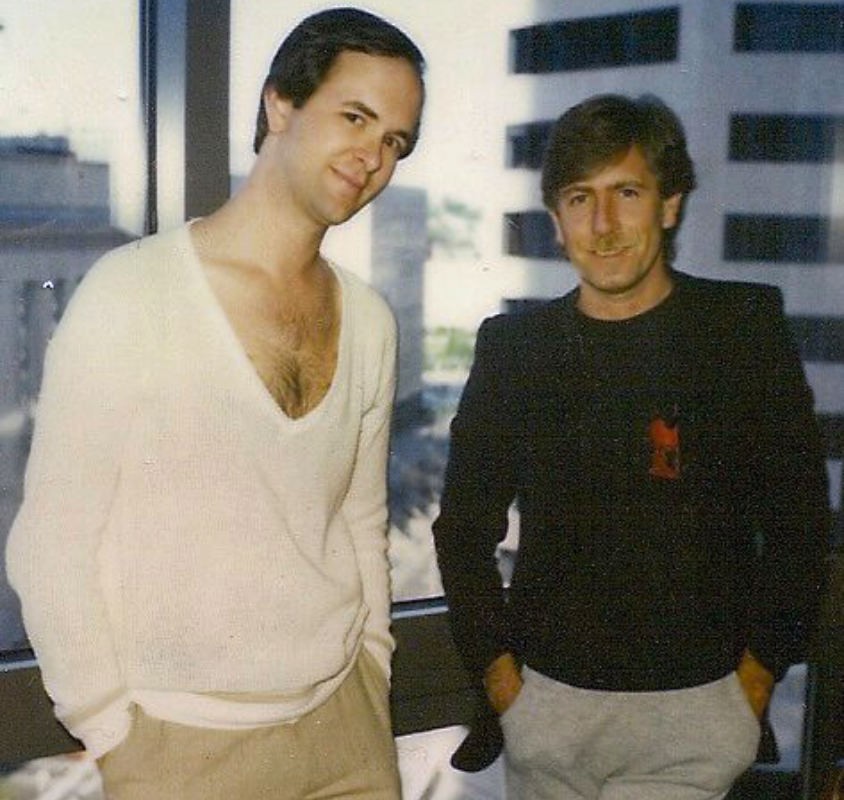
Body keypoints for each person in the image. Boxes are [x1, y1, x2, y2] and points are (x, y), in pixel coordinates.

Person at [6, 7, 424, 799]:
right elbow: (53, 541)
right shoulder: (132, 291)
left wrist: (372, 672)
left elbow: (359, 520)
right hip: (180, 752)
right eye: (356, 117)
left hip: (346, 733)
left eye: (395, 141)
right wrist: (112, 731)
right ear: (280, 104)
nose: (373, 156)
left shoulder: (370, 321)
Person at [432, 94, 830, 799]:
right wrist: (505, 688)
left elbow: (800, 524)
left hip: (696, 714)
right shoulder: (515, 350)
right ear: (556, 221)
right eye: (579, 198)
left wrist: (755, 680)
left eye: (627, 193)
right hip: (545, 715)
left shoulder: (740, 330)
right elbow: (463, 531)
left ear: (669, 205)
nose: (604, 225)